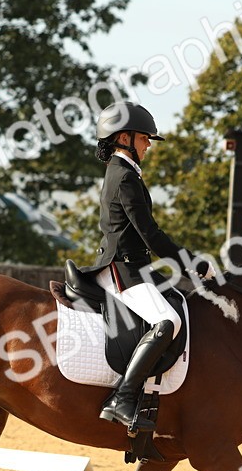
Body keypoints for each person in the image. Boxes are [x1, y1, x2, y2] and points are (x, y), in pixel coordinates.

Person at [83, 101, 214, 432]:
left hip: (134, 267)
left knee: (176, 305)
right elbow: (151, 235)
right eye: (144, 138)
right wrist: (193, 263)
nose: (148, 145)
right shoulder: (124, 176)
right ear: (125, 137)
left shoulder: (125, 172)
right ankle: (122, 398)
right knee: (167, 320)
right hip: (121, 268)